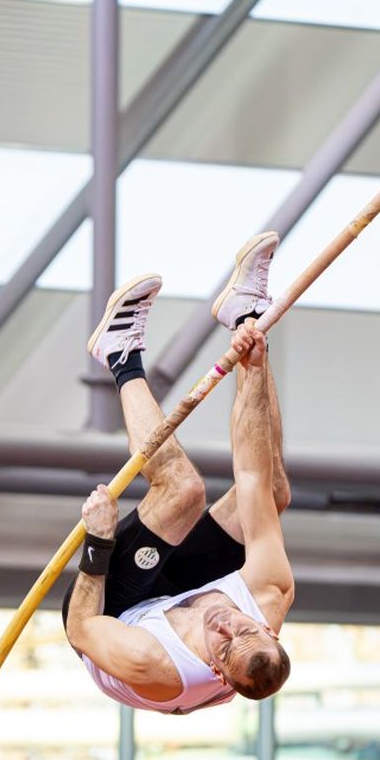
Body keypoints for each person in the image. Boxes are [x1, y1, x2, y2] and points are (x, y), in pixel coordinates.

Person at [63, 232, 294, 714]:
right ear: (267, 627)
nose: (224, 626)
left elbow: (81, 630)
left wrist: (99, 542)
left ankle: (120, 353)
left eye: (225, 647)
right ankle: (245, 313)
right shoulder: (269, 594)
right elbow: (252, 477)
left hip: (112, 613)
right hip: (177, 595)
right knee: (271, 493)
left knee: (183, 490)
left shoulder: (153, 664)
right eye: (243, 629)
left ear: (217, 673)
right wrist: (253, 362)